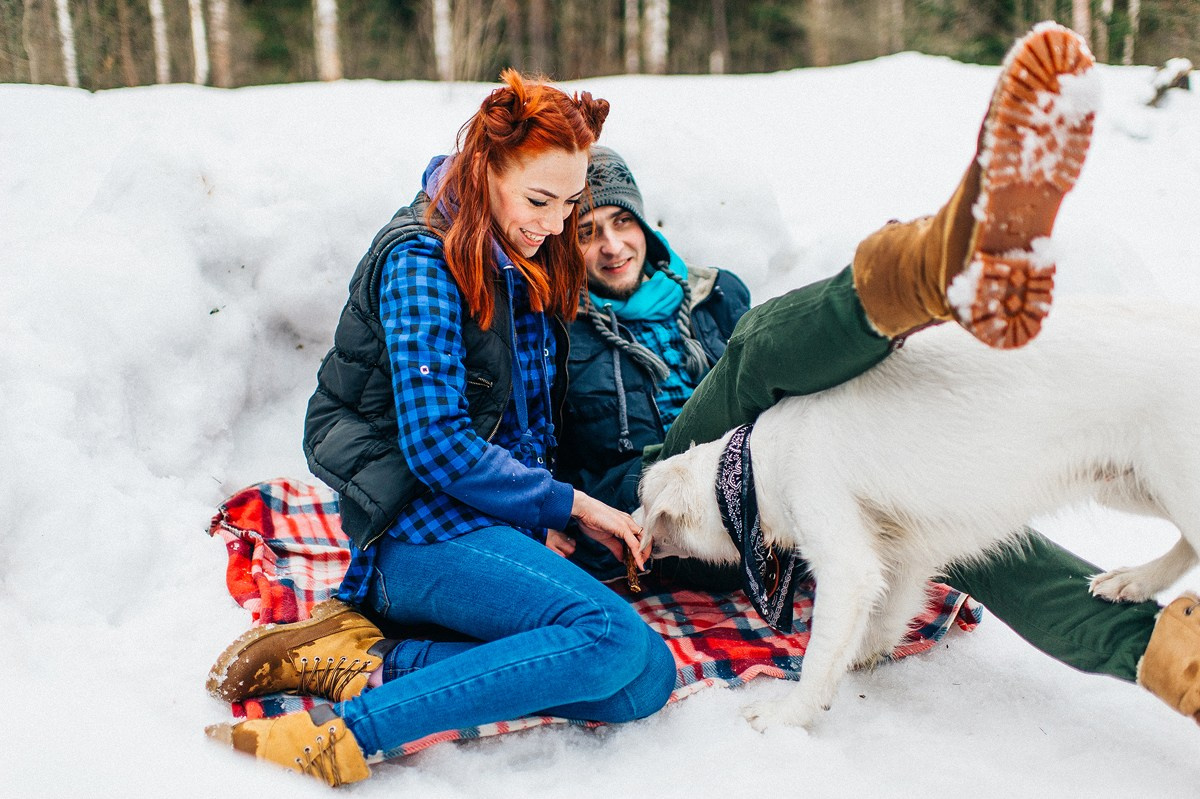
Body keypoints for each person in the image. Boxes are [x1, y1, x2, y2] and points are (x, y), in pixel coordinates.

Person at [560, 36, 1200, 724]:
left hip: (764, 472)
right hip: (660, 502)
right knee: (757, 348)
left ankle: (1172, 656)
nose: (611, 243)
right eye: (589, 231)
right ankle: (928, 268)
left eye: (621, 221)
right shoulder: (562, 335)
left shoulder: (715, 292)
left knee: (948, 521)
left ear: (644, 224)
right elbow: (576, 467)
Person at [203, 70, 677, 786]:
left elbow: (517, 417)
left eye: (570, 204)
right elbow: (437, 445)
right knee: (608, 637)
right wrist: (569, 504)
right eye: (539, 200)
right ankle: (338, 737)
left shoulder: (519, 247)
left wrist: (529, 518)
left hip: (478, 521)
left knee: (646, 678)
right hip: (412, 530)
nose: (555, 225)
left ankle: (368, 659)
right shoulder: (421, 261)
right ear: (487, 168)